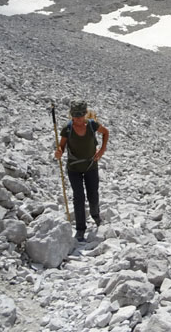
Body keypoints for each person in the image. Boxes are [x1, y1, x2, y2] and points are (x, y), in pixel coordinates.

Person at [54, 100, 109, 241]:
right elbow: (62, 146)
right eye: (75, 116)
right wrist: (59, 152)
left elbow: (106, 132)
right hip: (74, 168)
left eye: (80, 116)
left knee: (93, 194)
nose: (77, 119)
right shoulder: (67, 128)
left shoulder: (92, 125)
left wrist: (102, 150)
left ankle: (95, 215)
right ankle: (80, 229)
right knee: (78, 197)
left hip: (91, 166)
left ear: (85, 114)